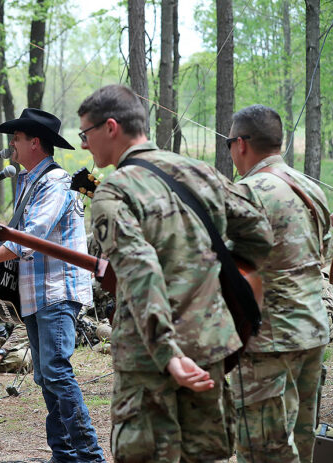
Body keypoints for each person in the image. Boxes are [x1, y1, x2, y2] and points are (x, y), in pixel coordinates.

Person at [78, 84, 274, 462]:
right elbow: (260, 232)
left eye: (86, 133)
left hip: (150, 362)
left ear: (111, 127)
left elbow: (139, 271)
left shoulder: (113, 193)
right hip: (209, 346)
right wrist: (216, 273)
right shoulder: (198, 172)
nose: (84, 144)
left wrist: (168, 354)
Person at [0, 108, 106, 463]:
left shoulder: (55, 182)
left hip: (56, 290)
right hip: (36, 293)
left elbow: (32, 238)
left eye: (17, 139)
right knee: (44, 376)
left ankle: (90, 457)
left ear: (35, 143)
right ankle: (65, 454)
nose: (11, 145)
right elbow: (19, 238)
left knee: (56, 370)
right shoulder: (30, 183)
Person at [227, 105, 330, 463]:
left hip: (267, 345)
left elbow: (223, 268)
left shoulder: (246, 193)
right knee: (301, 449)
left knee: (262, 453)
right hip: (313, 334)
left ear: (241, 144)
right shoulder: (312, 190)